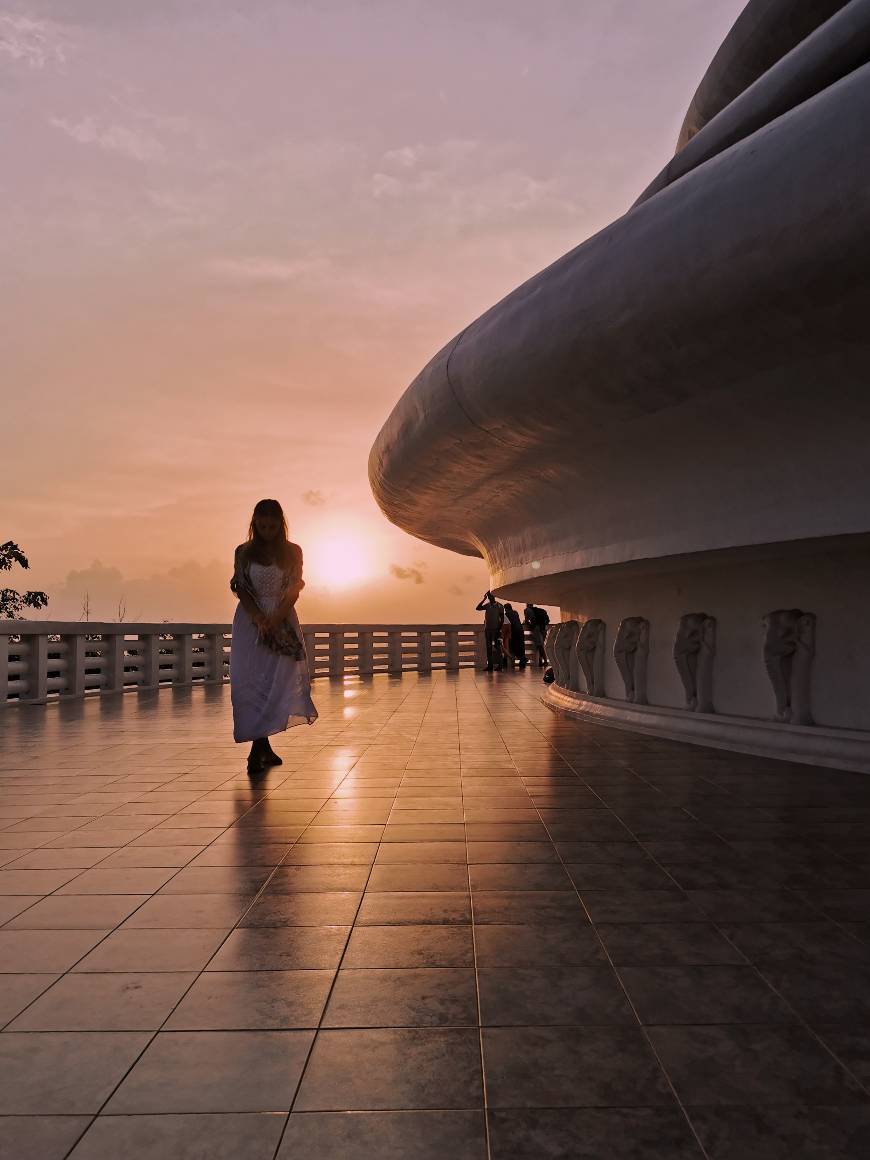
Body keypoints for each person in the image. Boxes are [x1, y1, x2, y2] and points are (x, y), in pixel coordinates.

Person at [230, 498, 317, 775]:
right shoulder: (243, 551)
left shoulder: (292, 552)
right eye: (262, 525)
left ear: (281, 524)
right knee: (252, 681)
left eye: (272, 525)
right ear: (254, 523)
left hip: (282, 617)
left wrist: (276, 618)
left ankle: (261, 746)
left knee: (276, 681)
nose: (267, 530)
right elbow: (241, 587)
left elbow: (294, 588)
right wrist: (258, 617)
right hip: (250, 621)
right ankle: (259, 747)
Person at [475, 590, 504, 671]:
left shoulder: (500, 606)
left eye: (490, 596)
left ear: (493, 596)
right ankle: (490, 665)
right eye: (488, 597)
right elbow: (478, 608)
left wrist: (499, 629)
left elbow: (502, 619)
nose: (490, 598)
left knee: (497, 647)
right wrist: (484, 599)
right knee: (488, 647)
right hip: (487, 629)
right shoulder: (487, 605)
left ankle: (500, 665)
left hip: (496, 629)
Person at [524, 602, 550, 667]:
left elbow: (528, 620)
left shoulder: (527, 610)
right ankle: (540, 661)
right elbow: (547, 620)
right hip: (543, 629)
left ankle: (545, 661)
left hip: (537, 629)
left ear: (527, 605)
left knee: (539, 646)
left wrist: (530, 625)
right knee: (540, 645)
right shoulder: (539, 610)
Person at [504, 603, 528, 668]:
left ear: (506, 608)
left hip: (514, 632)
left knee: (513, 647)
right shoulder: (515, 613)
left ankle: (513, 663)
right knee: (520, 647)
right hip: (520, 631)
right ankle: (522, 660)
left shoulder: (506, 614)